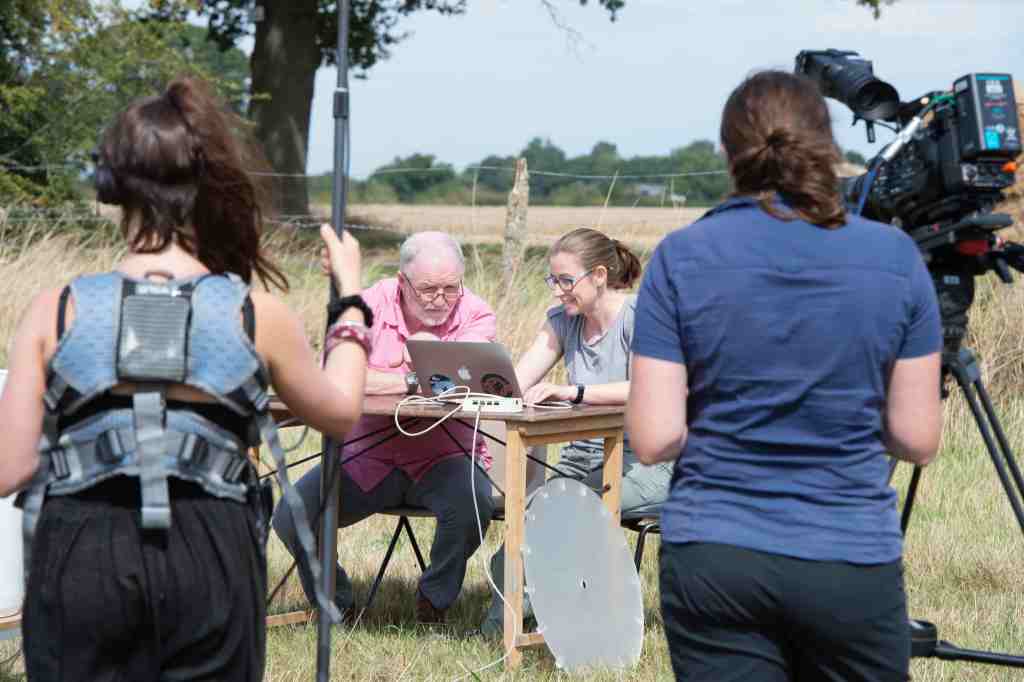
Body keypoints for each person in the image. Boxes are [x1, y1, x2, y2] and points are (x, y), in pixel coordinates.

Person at [0, 76, 369, 682]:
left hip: (83, 547)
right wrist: (350, 299)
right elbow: (339, 411)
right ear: (205, 185)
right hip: (210, 548)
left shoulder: (56, 310)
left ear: (111, 185)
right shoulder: (254, 315)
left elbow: (12, 466)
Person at [627, 70, 944, 682]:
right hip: (848, 553)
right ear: (827, 148)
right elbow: (917, 438)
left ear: (727, 154)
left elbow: (654, 437)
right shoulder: (894, 257)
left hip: (715, 555)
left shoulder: (681, 256)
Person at [272, 230, 497, 624]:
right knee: (292, 515)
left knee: (473, 505)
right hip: (368, 455)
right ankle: (336, 602)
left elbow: (466, 379)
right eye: (428, 290)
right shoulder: (366, 305)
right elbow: (334, 374)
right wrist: (414, 377)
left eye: (450, 288)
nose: (441, 300)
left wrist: (379, 373)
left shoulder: (477, 313)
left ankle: (435, 600)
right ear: (402, 281)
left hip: (447, 455)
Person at [479, 227, 673, 636]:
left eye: (566, 281)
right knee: (520, 536)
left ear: (599, 275)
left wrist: (573, 391)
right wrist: (478, 386)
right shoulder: (562, 322)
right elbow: (517, 380)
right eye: (553, 281)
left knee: (563, 523)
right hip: (581, 461)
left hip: (647, 463)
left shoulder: (642, 317)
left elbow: (648, 385)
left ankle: (548, 627)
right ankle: (506, 632)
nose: (557, 291)